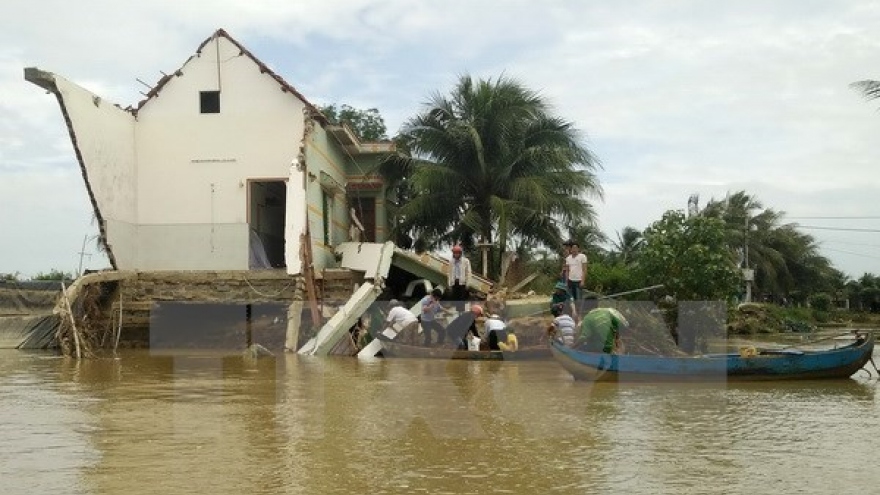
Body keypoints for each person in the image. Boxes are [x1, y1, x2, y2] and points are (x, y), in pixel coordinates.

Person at [447, 244, 471, 312]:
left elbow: (468, 273)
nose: (456, 254)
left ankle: (461, 314)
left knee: (462, 300)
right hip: (454, 283)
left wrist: (468, 284)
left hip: (462, 283)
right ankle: (456, 314)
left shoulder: (465, 261)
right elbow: (449, 273)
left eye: (457, 253)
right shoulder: (451, 262)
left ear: (460, 253)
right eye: (454, 253)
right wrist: (449, 284)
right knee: (455, 300)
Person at [564, 242, 588, 309]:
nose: (574, 249)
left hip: (579, 281)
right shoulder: (568, 258)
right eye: (573, 248)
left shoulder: (582, 256)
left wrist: (583, 281)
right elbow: (567, 270)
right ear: (570, 249)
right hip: (570, 281)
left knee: (578, 298)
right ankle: (573, 312)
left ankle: (579, 313)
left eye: (576, 248)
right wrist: (566, 282)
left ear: (578, 249)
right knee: (571, 298)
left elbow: (584, 270)